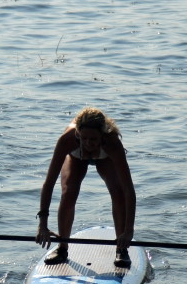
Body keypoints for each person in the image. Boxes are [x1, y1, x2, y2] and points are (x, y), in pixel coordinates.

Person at [36, 107, 137, 267]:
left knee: (118, 193)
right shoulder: (67, 140)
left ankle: (121, 249)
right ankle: (62, 247)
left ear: (102, 135)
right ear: (78, 134)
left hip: (105, 158)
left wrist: (129, 231)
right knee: (68, 193)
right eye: (84, 138)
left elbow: (128, 191)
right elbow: (48, 184)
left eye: (93, 139)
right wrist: (43, 226)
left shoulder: (112, 143)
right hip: (76, 157)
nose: (89, 143)